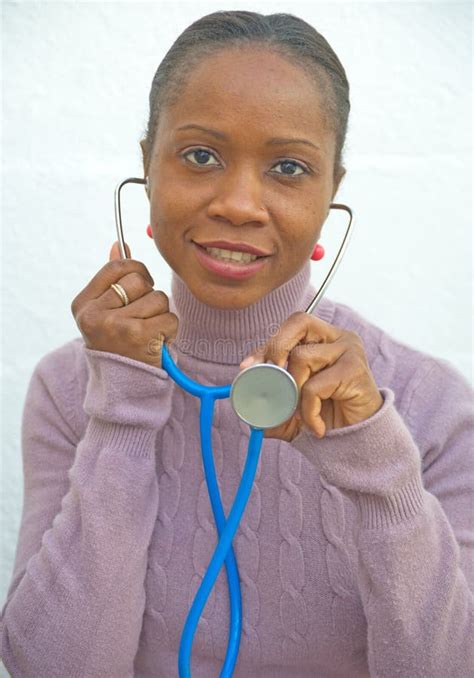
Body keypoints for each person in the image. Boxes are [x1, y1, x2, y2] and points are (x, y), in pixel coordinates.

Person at [1, 9, 472, 678]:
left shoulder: (429, 408)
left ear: (330, 193)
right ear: (147, 166)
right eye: (200, 156)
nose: (241, 204)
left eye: (287, 167)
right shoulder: (72, 389)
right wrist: (124, 410)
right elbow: (53, 667)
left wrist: (374, 460)